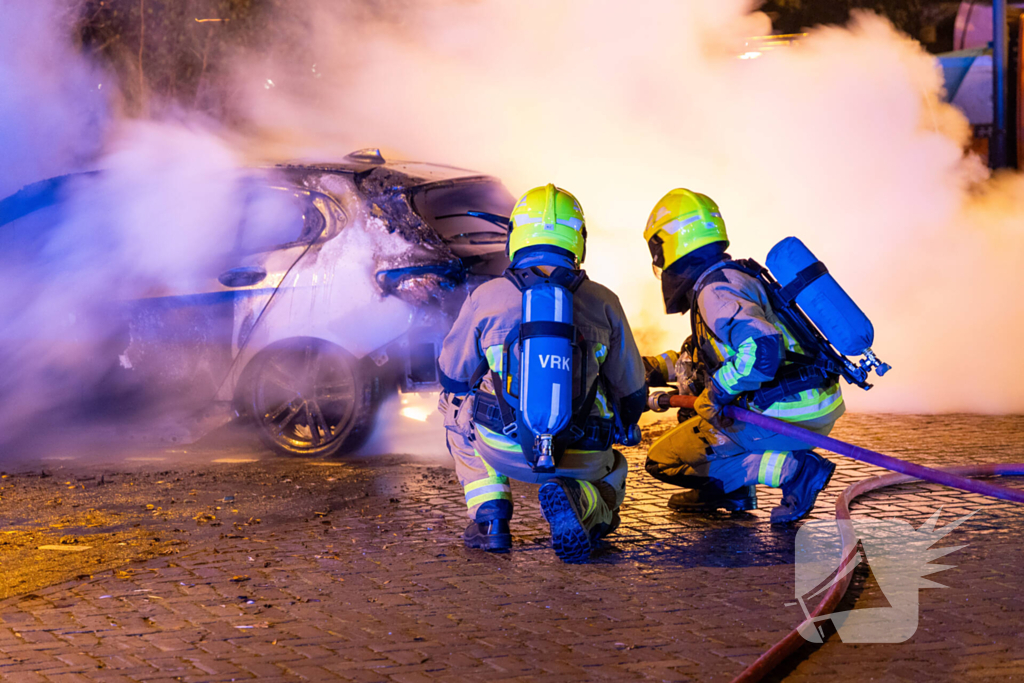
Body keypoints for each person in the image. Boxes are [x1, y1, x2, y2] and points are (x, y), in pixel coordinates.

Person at [438, 184, 647, 562]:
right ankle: (585, 503)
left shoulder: (487, 296)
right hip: (583, 450)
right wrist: (624, 422)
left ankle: (491, 520)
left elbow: (452, 376)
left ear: (516, 235)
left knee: (452, 407)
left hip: (503, 444)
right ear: (578, 239)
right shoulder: (605, 301)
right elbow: (632, 391)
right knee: (615, 465)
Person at [641, 188, 844, 523]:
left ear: (669, 244)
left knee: (664, 458)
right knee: (701, 415)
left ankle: (793, 471)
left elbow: (762, 348)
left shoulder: (715, 291)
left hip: (784, 411)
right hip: (809, 399)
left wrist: (718, 391)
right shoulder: (734, 276)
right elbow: (705, 356)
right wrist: (649, 368)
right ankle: (735, 490)